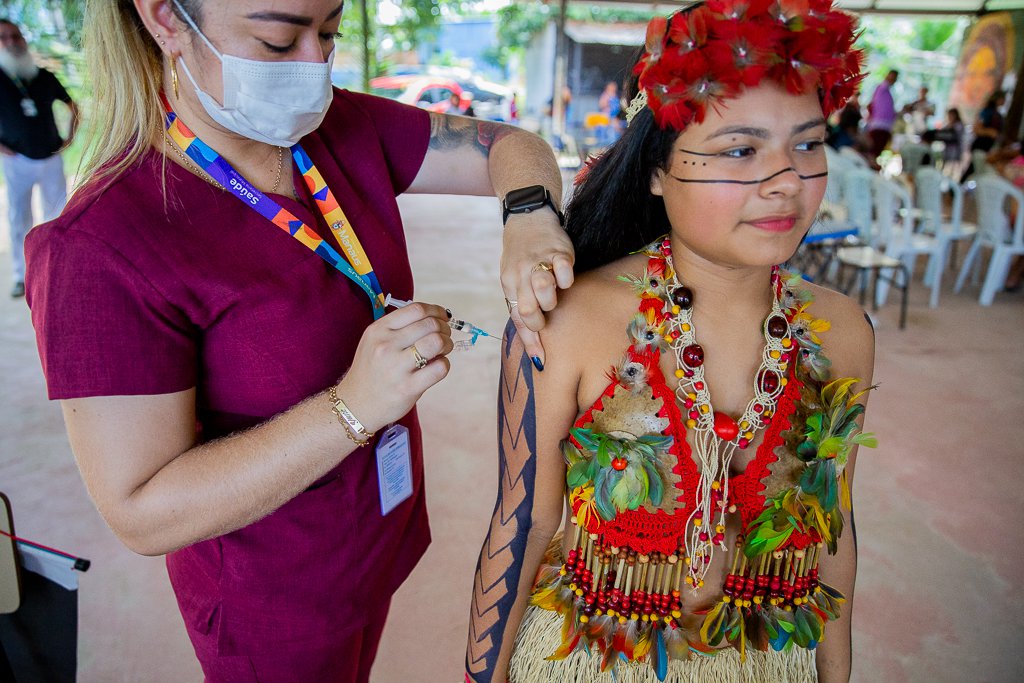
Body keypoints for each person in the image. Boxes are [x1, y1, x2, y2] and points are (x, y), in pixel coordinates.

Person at [24, 1, 574, 681]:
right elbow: (142, 511)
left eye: (331, 31)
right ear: (165, 19)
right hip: (274, 601)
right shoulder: (103, 245)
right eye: (279, 40)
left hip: (372, 535)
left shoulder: (336, 129)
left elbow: (508, 145)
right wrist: (351, 407)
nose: (316, 64)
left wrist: (530, 215)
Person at [466, 2, 875, 682]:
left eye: (807, 144)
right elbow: (523, 526)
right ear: (656, 170)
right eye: (741, 150)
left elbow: (834, 535)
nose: (786, 182)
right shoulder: (568, 322)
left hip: (770, 662)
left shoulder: (845, 332)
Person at [0, 19, 79, 298]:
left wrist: (70, 136)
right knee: (19, 217)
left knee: (57, 214)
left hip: (50, 157)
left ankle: (56, 267)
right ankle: (21, 276)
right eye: (4, 37)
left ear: (23, 38)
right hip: (16, 160)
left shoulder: (43, 75)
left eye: (16, 35)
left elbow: (72, 105)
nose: (11, 41)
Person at [866, 69, 898, 160]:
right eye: (891, 76)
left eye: (894, 78)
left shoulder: (888, 93)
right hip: (878, 126)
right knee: (873, 151)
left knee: (876, 152)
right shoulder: (882, 88)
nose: (892, 79)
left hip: (884, 127)